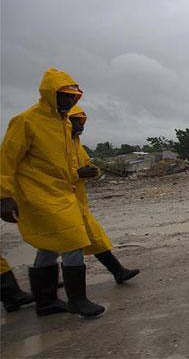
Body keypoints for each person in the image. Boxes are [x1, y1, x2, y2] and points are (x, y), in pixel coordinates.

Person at [0, 67, 104, 318]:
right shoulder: (26, 121)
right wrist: (3, 196)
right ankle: (78, 299)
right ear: (50, 94)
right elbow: (7, 160)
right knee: (74, 241)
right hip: (36, 195)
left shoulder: (64, 124)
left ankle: (46, 302)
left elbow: (67, 164)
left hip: (61, 193)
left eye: (73, 97)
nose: (70, 101)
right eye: (65, 96)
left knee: (49, 246)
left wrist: (82, 173)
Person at [68, 106, 140, 284]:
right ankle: (56, 294)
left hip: (76, 201)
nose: (80, 125)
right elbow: (44, 172)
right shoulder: (53, 143)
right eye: (75, 121)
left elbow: (88, 165)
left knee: (93, 237)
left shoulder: (76, 144)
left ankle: (118, 271)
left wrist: (94, 172)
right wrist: (76, 174)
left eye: (81, 121)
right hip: (55, 200)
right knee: (61, 244)